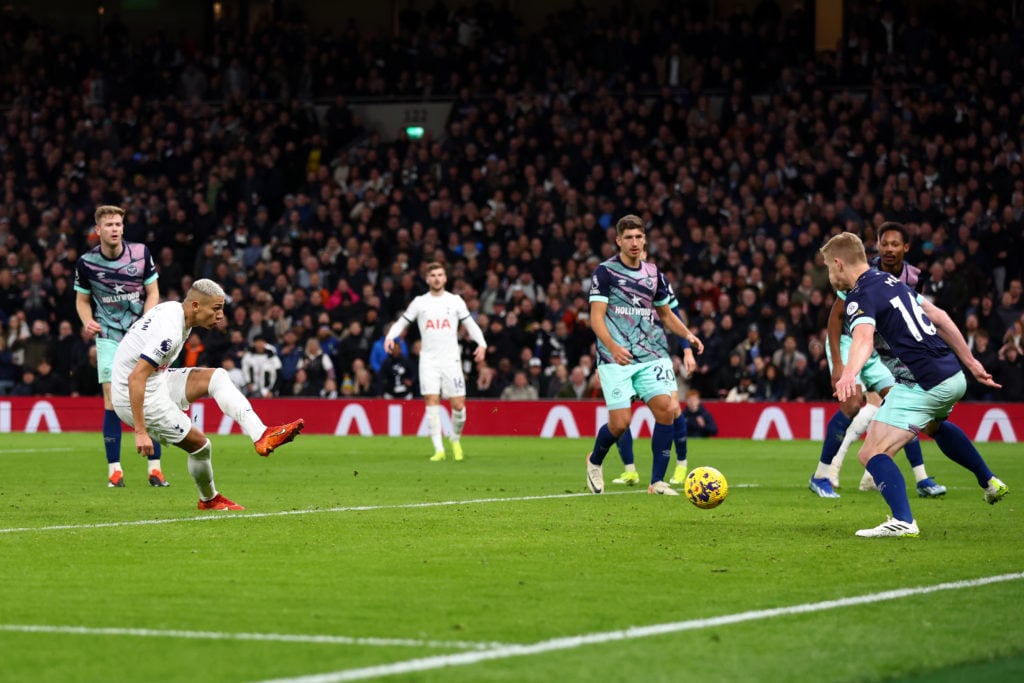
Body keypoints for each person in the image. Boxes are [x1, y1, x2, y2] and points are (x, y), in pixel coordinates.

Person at [823, 233, 1007, 538]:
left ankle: (903, 521)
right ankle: (989, 481)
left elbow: (864, 338)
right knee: (935, 426)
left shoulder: (859, 295)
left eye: (829, 267)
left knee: (870, 453)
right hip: (951, 375)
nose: (830, 274)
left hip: (923, 383)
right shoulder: (889, 281)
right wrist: (971, 363)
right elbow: (939, 316)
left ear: (839, 264)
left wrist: (848, 373)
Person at [111, 279, 305, 511]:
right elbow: (135, 378)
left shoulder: (176, 311)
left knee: (217, 377)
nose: (221, 315)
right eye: (215, 309)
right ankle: (209, 499)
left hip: (155, 379)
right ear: (195, 305)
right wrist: (141, 432)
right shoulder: (170, 333)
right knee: (201, 446)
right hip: (134, 393)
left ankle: (261, 434)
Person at [811, 222, 946, 499]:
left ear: (905, 248)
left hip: (879, 346)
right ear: (878, 246)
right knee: (851, 405)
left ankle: (921, 478)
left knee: (904, 401)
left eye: (895, 244)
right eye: (884, 243)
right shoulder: (862, 270)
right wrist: (838, 363)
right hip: (852, 340)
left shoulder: (912, 276)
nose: (888, 249)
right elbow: (836, 318)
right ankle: (821, 475)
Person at [584, 215, 704, 496]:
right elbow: (596, 318)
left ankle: (657, 482)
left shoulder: (654, 274)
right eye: (628, 238)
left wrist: (687, 335)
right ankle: (595, 460)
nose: (634, 242)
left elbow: (666, 313)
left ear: (645, 239)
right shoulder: (605, 273)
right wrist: (613, 347)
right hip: (616, 358)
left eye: (639, 237)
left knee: (668, 409)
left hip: (650, 354)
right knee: (620, 423)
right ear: (618, 241)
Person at [75, 205, 164, 488]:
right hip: (109, 336)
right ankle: (115, 470)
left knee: (147, 397)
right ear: (98, 230)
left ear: (123, 227)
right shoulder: (86, 263)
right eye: (109, 224)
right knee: (112, 401)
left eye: (118, 224)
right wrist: (87, 320)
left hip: (139, 335)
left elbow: (153, 292)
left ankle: (155, 469)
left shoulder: (140, 254)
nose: (114, 228)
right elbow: (82, 299)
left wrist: (147, 323)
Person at [384, 262, 487, 461]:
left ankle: (455, 438)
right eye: (433, 275)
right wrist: (390, 336)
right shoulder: (420, 302)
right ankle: (438, 449)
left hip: (451, 360)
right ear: (427, 279)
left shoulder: (455, 301)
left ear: (445, 278)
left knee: (458, 405)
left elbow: (470, 324)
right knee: (431, 401)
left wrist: (481, 344)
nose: (437, 278)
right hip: (429, 360)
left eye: (440, 274)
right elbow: (403, 322)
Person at [612, 266, 698, 487]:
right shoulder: (616, 279)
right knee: (621, 413)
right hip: (626, 354)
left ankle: (681, 464)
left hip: (656, 354)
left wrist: (687, 349)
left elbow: (673, 314)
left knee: (673, 408)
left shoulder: (657, 279)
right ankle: (630, 471)